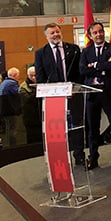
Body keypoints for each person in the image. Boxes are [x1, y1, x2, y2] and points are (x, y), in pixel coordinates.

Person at [34, 23, 84, 166]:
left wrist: (74, 89)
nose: (55, 34)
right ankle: (60, 159)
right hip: (54, 100)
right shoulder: (40, 53)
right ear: (46, 36)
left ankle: (79, 156)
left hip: (74, 96)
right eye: (52, 33)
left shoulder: (73, 49)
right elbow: (41, 77)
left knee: (77, 126)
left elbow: (80, 72)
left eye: (57, 31)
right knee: (58, 130)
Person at [80, 22, 111, 169]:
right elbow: (82, 70)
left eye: (100, 31)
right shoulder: (86, 52)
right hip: (92, 93)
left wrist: (93, 65)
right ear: (90, 35)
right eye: (95, 33)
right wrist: (102, 66)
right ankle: (93, 157)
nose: (98, 35)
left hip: (109, 92)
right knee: (92, 127)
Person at [0, 67, 22, 146]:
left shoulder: (4, 82)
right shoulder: (12, 83)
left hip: (5, 109)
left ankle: (10, 145)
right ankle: (13, 146)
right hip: (11, 109)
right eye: (18, 75)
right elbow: (19, 93)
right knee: (13, 129)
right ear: (15, 75)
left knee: (9, 129)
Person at [19, 66, 42, 144]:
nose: (33, 77)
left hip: (40, 116)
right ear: (28, 75)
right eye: (31, 75)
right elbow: (28, 101)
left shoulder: (41, 84)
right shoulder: (23, 87)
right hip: (30, 118)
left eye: (35, 75)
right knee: (32, 139)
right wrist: (38, 91)